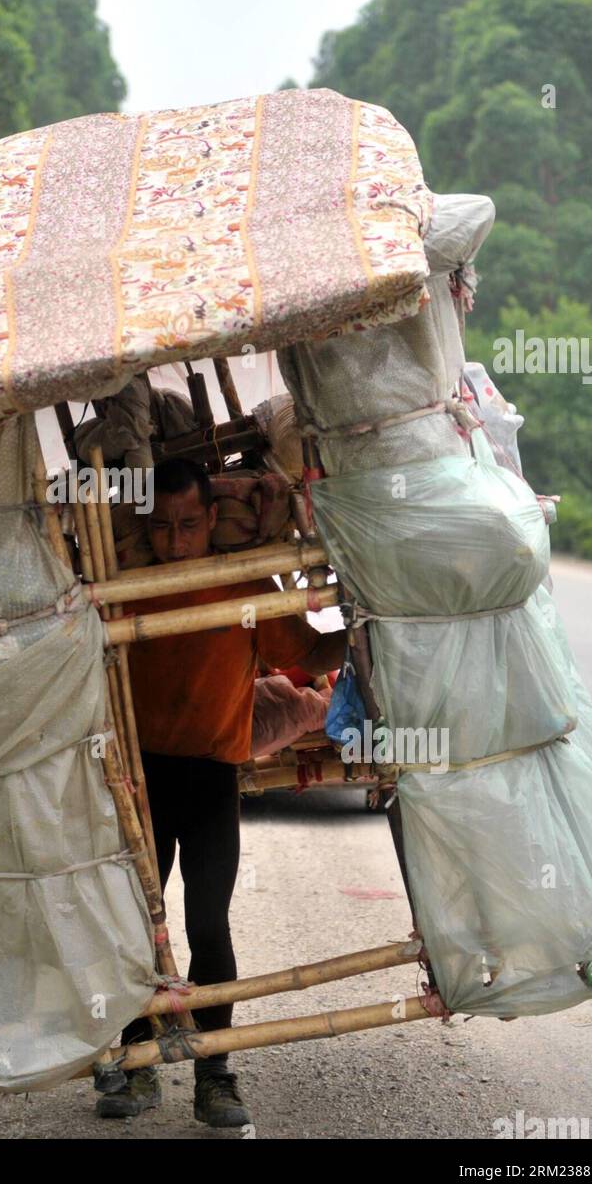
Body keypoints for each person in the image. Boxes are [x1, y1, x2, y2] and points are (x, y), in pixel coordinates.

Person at [97, 458, 346, 1128]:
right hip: (139, 779)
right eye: (162, 528)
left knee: (208, 924)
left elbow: (306, 653)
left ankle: (215, 1072)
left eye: (187, 525)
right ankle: (135, 1059)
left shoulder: (240, 583)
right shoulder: (126, 584)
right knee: (132, 925)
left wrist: (365, 627)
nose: (175, 541)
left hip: (210, 778)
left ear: (211, 520)